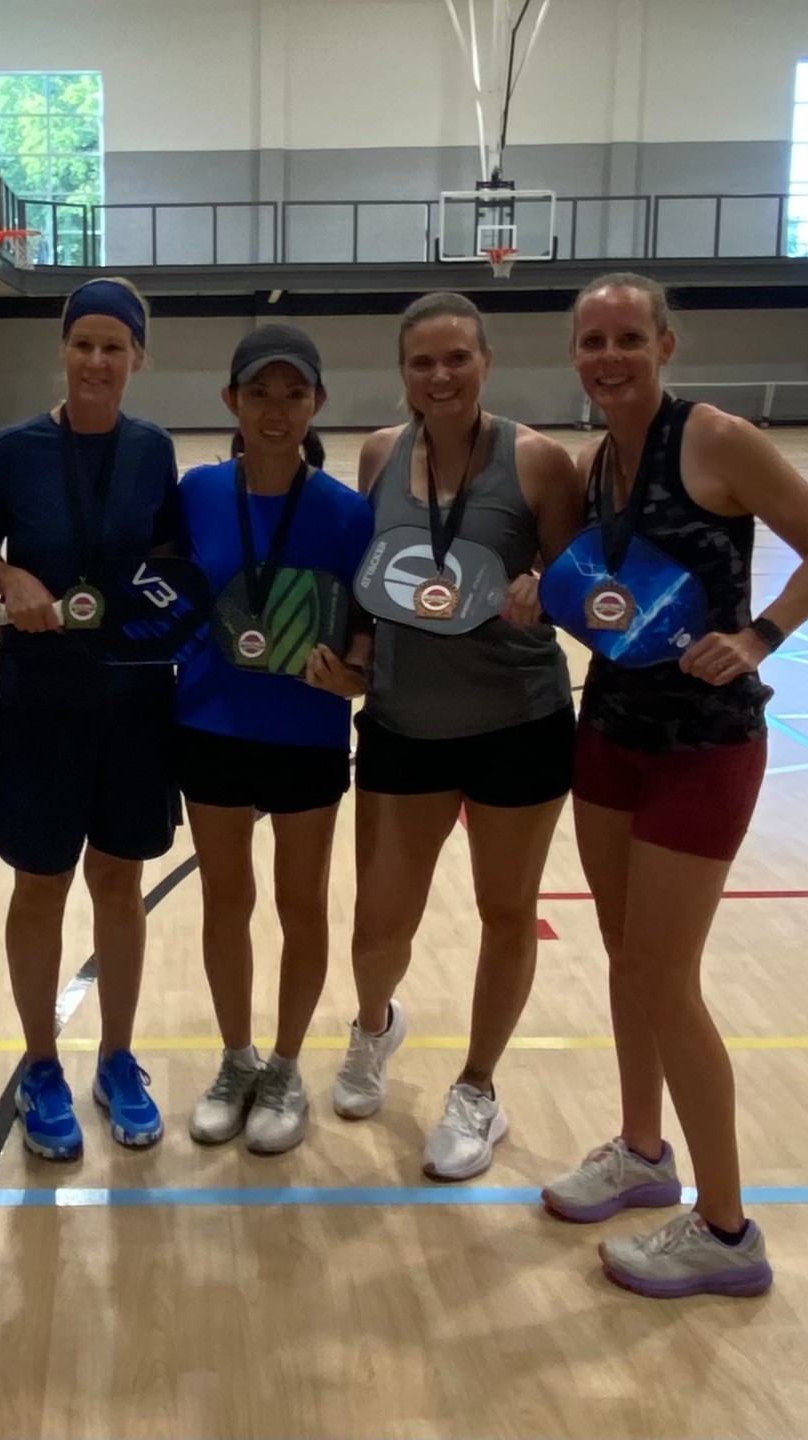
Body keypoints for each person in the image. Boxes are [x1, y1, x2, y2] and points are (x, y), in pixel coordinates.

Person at [541, 273, 808, 1298]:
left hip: (705, 747)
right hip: (611, 730)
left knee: (668, 977)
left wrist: (761, 636)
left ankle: (727, 1228)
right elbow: (616, 604)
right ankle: (641, 1151)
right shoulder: (598, 465)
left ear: (665, 342)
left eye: (626, 336)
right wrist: (546, 601)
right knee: (626, 958)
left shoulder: (717, 439)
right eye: (591, 340)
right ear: (575, 355)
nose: (608, 355)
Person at [320, 292, 582, 1180]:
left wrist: (546, 583)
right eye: (422, 362)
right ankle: (372, 1027)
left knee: (505, 913)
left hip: (519, 721)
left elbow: (581, 577)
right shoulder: (380, 455)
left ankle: (478, 1091)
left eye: (457, 358)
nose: (439, 376)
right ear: (403, 372)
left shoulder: (541, 462)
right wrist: (354, 658)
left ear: (486, 363)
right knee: (377, 923)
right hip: (402, 723)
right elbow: (368, 584)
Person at [0, 277, 180, 1160]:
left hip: (134, 702)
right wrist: (5, 575)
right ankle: (42, 1064)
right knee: (41, 886)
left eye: (114, 346)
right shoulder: (12, 451)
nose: (98, 360)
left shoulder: (154, 450)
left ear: (138, 357)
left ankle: (119, 1058)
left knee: (121, 887)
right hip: (40, 704)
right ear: (63, 350)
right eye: (83, 343)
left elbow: (172, 566)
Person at [176, 325, 374, 1154]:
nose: (277, 409)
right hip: (211, 724)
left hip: (306, 732)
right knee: (227, 900)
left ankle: (287, 1065)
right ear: (231, 401)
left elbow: (366, 626)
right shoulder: (193, 493)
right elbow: (161, 590)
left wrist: (355, 674)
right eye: (259, 392)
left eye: (295, 394)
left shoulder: (346, 511)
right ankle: (235, 1059)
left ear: (317, 404)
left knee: (300, 904)